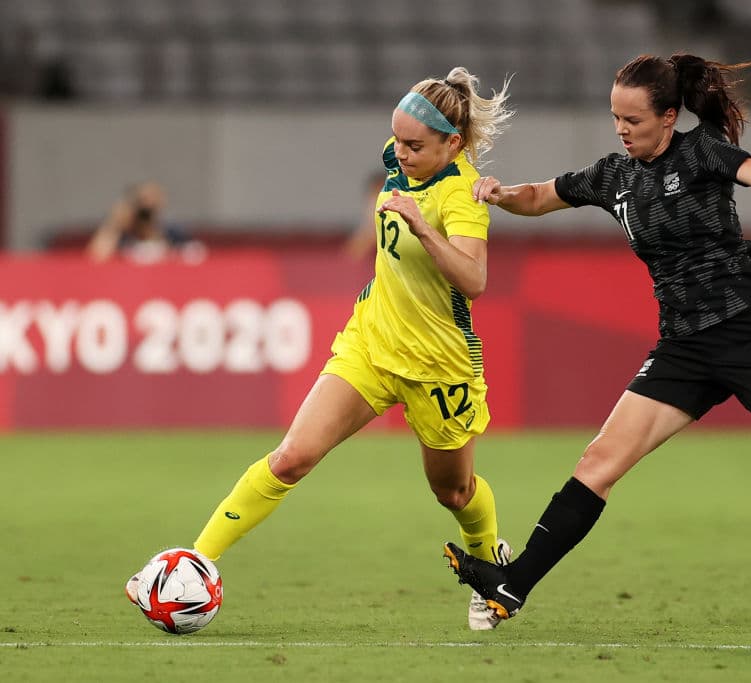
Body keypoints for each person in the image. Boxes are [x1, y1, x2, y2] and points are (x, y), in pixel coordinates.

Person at [442, 50, 751, 624]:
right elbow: (540, 196)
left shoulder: (701, 152)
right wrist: (498, 194)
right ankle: (514, 585)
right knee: (600, 462)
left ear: (670, 116)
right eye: (615, 119)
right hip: (684, 344)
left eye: (634, 121)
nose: (621, 131)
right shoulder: (613, 176)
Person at [125, 67, 516, 631]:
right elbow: (400, 172)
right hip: (373, 343)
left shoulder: (460, 197)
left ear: (452, 144)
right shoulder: (398, 159)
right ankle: (194, 561)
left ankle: (487, 563)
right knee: (291, 457)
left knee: (453, 492)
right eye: (397, 139)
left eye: (414, 145)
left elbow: (474, 281)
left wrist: (422, 227)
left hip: (439, 365)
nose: (399, 153)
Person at [86, 181, 205, 264]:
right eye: (143, 200)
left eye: (153, 200)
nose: (147, 207)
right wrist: (115, 223)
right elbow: (97, 257)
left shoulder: (173, 233)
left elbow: (197, 254)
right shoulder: (123, 236)